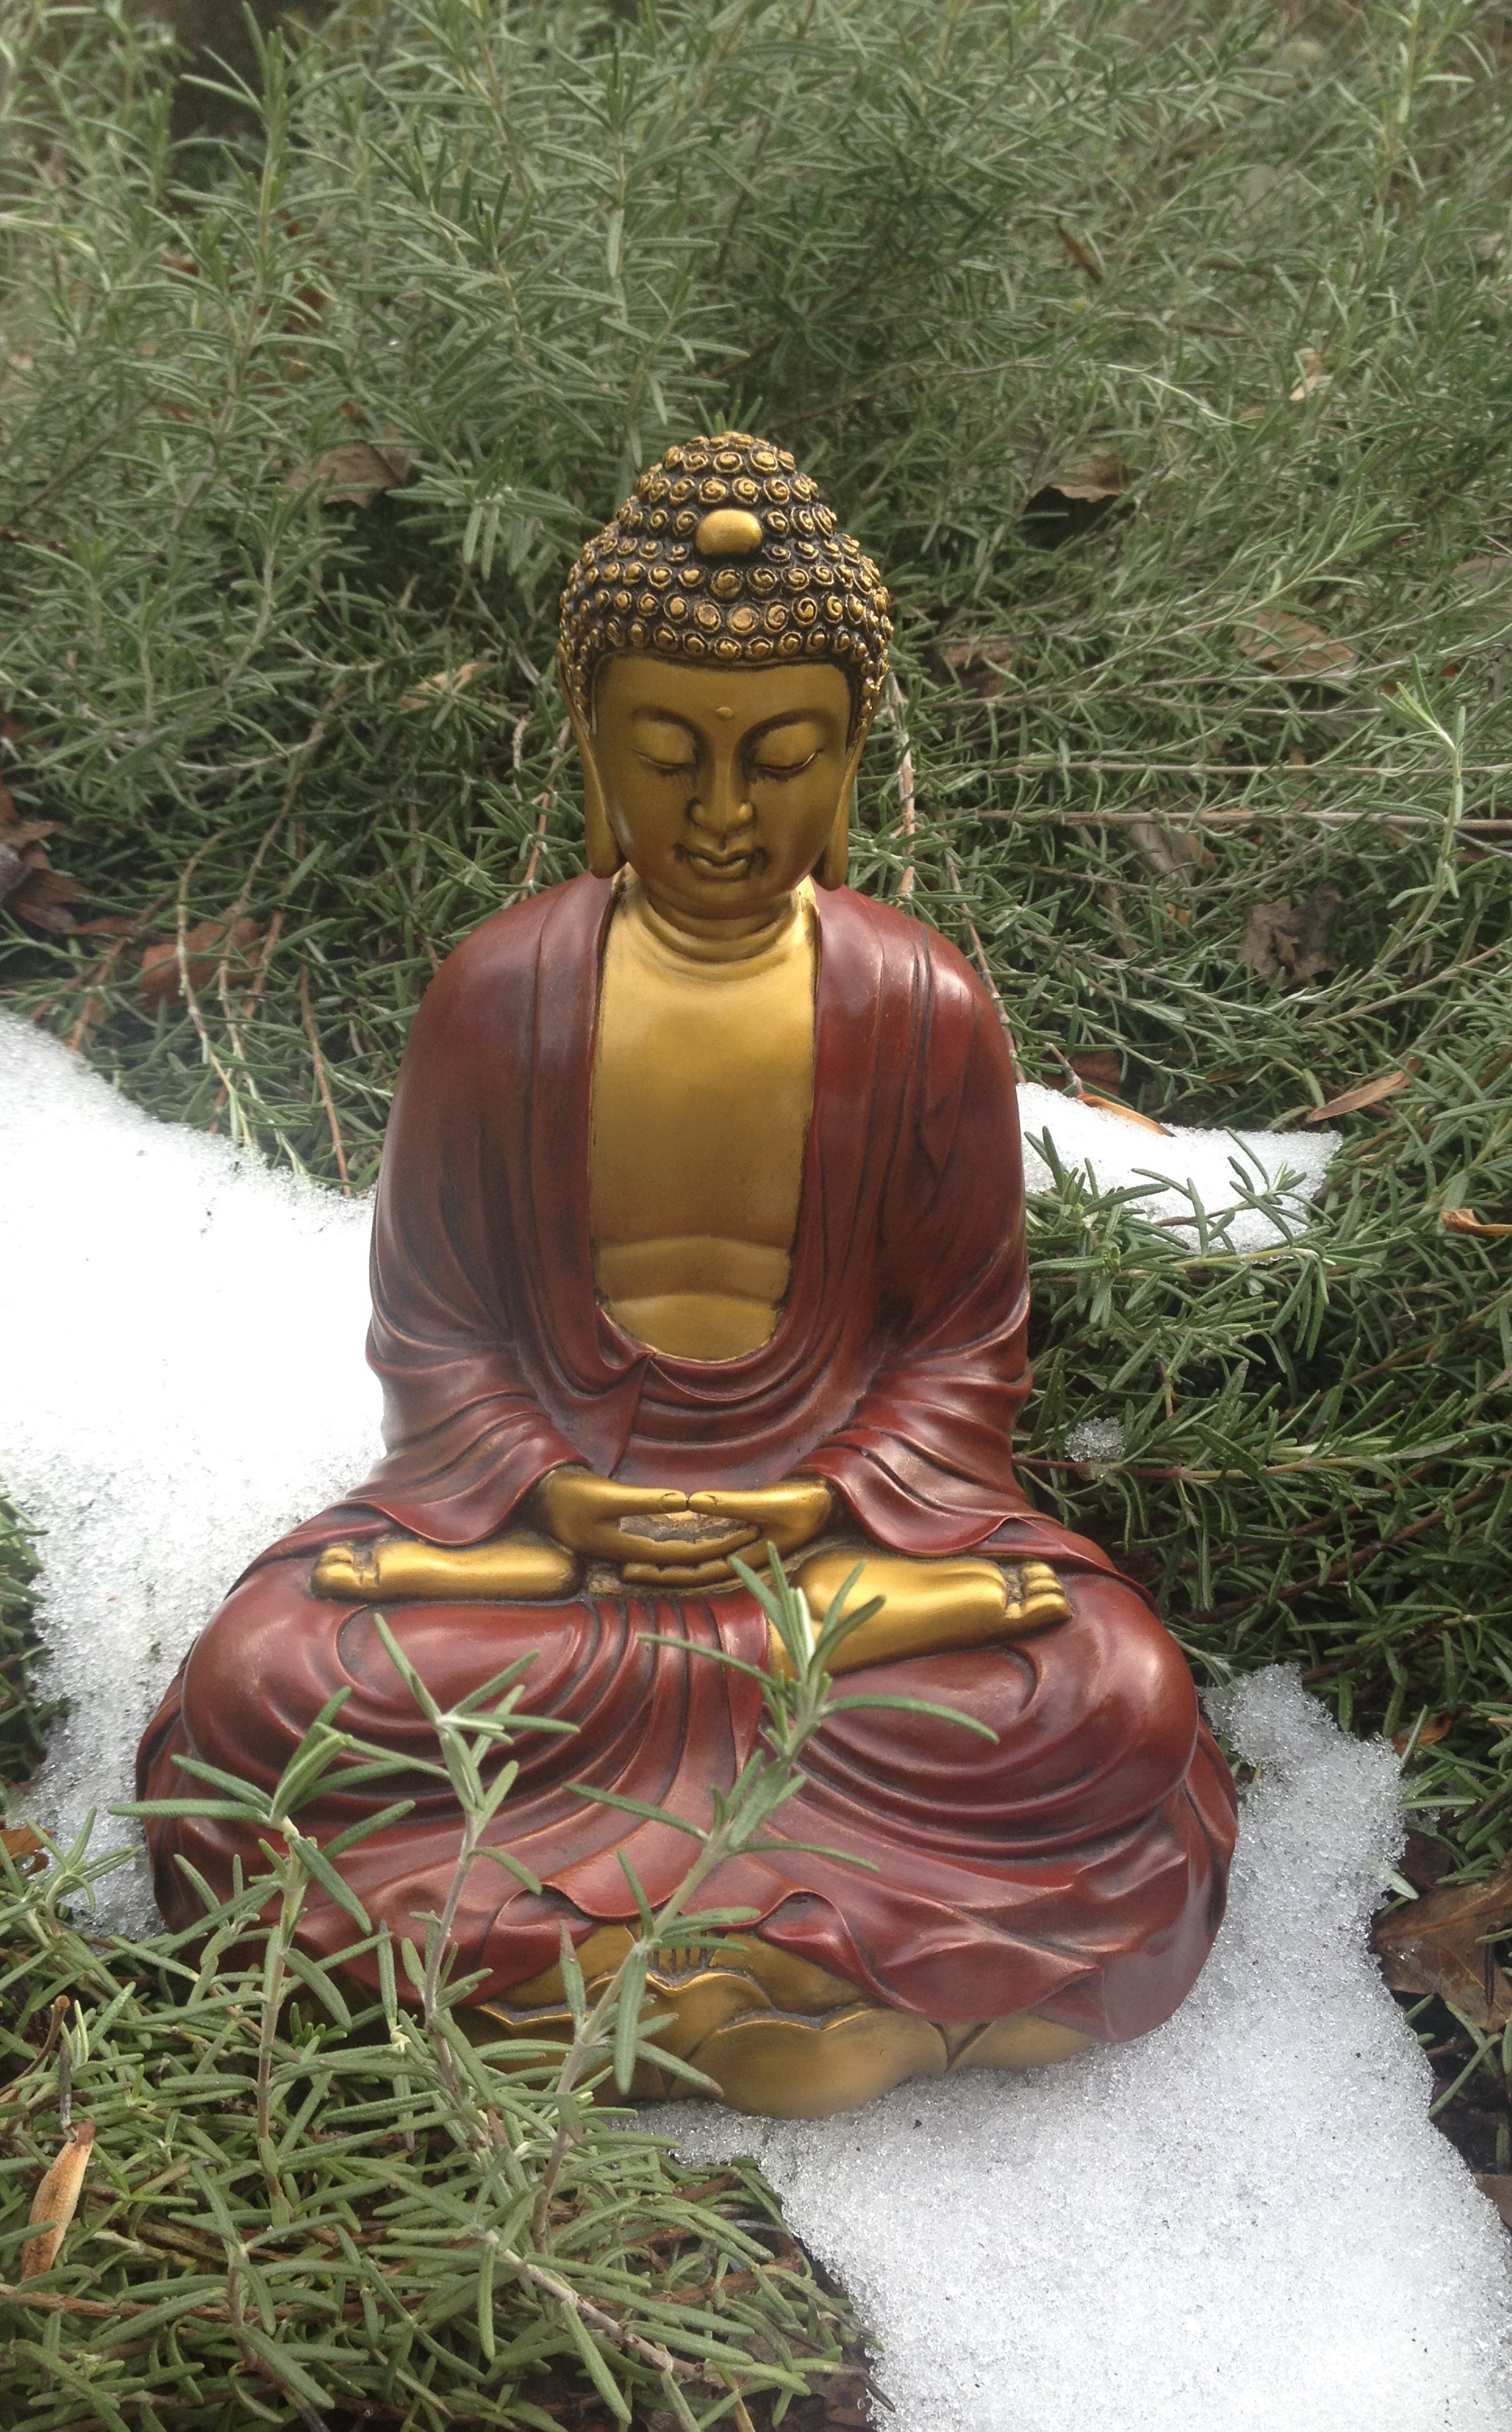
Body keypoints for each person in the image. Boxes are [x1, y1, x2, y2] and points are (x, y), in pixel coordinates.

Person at [138, 432, 1235, 2118]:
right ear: (593, 744)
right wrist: (558, 1496)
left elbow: (960, 1348)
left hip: (836, 1536)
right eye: (670, 753)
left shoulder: (922, 1002)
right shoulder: (495, 993)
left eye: (778, 755)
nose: (724, 810)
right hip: (550, 1545)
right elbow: (435, 1328)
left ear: (852, 747)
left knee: (1106, 1693)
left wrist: (817, 1504)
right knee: (276, 1681)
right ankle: (834, 1977)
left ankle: (561, 1980)